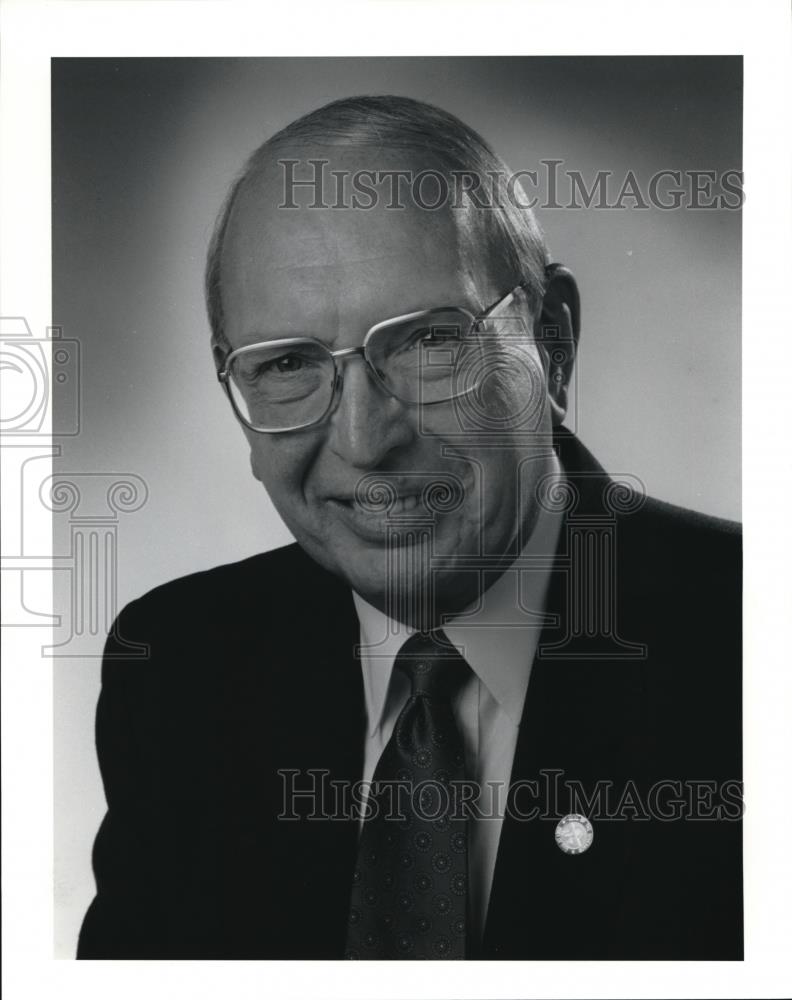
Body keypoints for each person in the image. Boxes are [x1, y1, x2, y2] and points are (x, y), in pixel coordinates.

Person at [77, 95, 742, 960]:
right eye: (286, 365)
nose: (364, 439)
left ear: (554, 340)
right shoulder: (176, 666)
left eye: (430, 343)